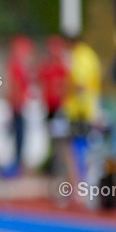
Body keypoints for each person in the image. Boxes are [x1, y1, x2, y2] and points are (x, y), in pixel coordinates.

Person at [62, 32, 102, 191]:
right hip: (89, 108)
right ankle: (85, 183)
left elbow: (80, 84)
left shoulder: (80, 57)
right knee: (88, 146)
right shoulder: (91, 55)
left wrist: (66, 92)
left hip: (80, 111)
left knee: (75, 148)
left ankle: (79, 184)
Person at [0, 35, 33, 177]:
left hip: (18, 106)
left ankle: (18, 163)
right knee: (17, 136)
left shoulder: (16, 66)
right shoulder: (16, 66)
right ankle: (17, 163)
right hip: (17, 106)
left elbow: (14, 86)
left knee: (18, 136)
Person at [37, 34, 69, 174]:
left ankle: (60, 165)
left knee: (61, 139)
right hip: (50, 107)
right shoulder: (46, 66)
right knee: (52, 137)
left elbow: (66, 86)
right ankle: (53, 163)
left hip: (60, 107)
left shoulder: (63, 66)